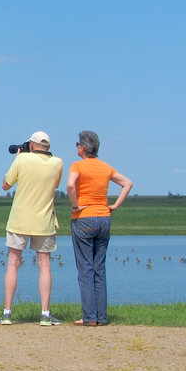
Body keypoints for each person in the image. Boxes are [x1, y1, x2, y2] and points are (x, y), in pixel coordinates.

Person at [67, 130, 133, 326]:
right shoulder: (105, 167)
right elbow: (127, 183)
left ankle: (89, 317)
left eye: (78, 144)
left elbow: (70, 185)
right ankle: (101, 317)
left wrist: (75, 205)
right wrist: (115, 205)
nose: (77, 147)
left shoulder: (77, 166)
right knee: (99, 268)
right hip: (104, 218)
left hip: (84, 218)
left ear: (84, 148)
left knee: (85, 268)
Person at [0, 131, 64, 326]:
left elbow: (5, 185)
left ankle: (7, 313)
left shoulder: (22, 160)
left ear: (32, 145)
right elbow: (55, 184)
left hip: (20, 219)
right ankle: (45, 314)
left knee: (13, 264)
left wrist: (19, 158)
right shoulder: (57, 163)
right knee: (44, 267)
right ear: (48, 147)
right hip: (44, 220)